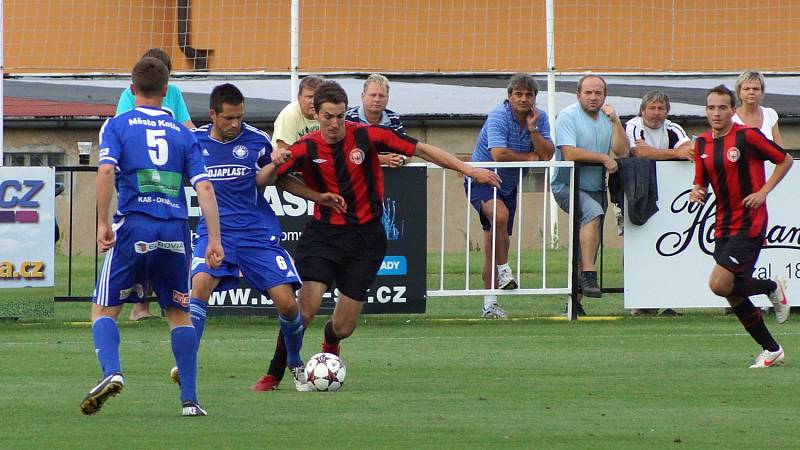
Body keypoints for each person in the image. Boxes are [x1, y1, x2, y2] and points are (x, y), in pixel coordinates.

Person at [256, 81, 500, 390]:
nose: (334, 124)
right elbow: (277, 178)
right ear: (315, 114)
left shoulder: (366, 136)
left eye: (340, 116)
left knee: (344, 326)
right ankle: (273, 374)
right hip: (323, 235)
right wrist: (317, 196)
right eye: (328, 116)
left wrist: (469, 169)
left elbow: (422, 149)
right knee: (305, 310)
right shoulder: (305, 147)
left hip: (366, 238)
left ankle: (331, 340)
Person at [79, 57, 223, 416]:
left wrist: (101, 223)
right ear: (165, 91)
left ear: (131, 89)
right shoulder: (183, 133)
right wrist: (215, 240)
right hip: (175, 230)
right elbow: (204, 187)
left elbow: (107, 170)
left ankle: (113, 372)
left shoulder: (117, 125)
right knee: (179, 314)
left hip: (135, 226)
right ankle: (190, 401)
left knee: (104, 310)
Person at [182, 83, 342, 393]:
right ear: (213, 114)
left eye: (239, 117)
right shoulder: (193, 142)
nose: (235, 124)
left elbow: (268, 180)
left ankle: (294, 361)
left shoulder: (256, 140)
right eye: (228, 118)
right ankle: (187, 361)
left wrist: (281, 169)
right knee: (199, 288)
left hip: (256, 233)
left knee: (287, 305)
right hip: (216, 233)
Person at [690, 84, 792, 368]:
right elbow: (701, 182)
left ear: (733, 111)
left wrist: (763, 192)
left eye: (722, 107)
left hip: (751, 222)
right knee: (731, 291)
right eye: (711, 107)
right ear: (706, 111)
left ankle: (771, 287)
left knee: (718, 283)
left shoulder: (747, 136)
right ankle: (771, 349)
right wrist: (696, 191)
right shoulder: (701, 144)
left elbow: (784, 160)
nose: (716, 113)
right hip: (723, 224)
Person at [466, 74, 554, 319]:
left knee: (493, 241)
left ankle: (489, 303)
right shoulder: (499, 115)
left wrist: (534, 129)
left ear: (535, 98)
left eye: (529, 95)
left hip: (509, 184)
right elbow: (498, 153)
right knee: (500, 215)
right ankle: (505, 270)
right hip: (482, 177)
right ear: (509, 96)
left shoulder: (541, 117)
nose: (524, 99)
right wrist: (528, 158)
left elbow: (547, 154)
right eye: (519, 94)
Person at [117, 48, 195, 321]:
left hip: (168, 183)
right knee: (142, 245)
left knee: (164, 245)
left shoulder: (174, 94)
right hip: (140, 184)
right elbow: (126, 130)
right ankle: (139, 306)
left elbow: (187, 126)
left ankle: (169, 303)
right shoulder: (129, 96)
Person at [551, 75, 629, 315]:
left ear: (605, 95)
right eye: (588, 93)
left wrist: (616, 122)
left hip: (596, 186)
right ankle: (588, 276)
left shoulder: (608, 118)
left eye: (598, 93)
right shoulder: (567, 115)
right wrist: (603, 158)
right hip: (567, 184)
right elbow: (569, 152)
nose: (593, 97)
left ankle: (574, 303)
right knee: (593, 215)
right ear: (578, 94)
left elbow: (623, 150)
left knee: (588, 243)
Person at [623, 90, 692, 316]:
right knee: (637, 246)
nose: (656, 113)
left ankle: (667, 297)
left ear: (667, 112)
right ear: (642, 110)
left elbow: (689, 151)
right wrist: (673, 153)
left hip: (669, 197)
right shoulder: (633, 126)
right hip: (637, 194)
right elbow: (639, 153)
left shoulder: (674, 128)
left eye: (661, 108)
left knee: (669, 245)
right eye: (651, 108)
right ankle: (640, 299)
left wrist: (656, 153)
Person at [345, 73, 408, 168]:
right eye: (373, 95)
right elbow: (348, 155)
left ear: (387, 98)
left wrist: (401, 159)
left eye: (381, 96)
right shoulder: (349, 118)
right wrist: (384, 159)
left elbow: (407, 150)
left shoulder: (393, 118)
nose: (377, 99)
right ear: (363, 96)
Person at [271, 75, 325, 151]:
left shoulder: (327, 114)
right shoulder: (289, 114)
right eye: (309, 97)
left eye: (317, 97)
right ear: (299, 98)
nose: (313, 101)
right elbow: (285, 152)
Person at [732, 70, 783, 146]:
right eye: (746, 89)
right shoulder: (730, 117)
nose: (751, 92)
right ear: (739, 92)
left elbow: (780, 150)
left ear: (762, 92)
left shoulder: (770, 114)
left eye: (756, 89)